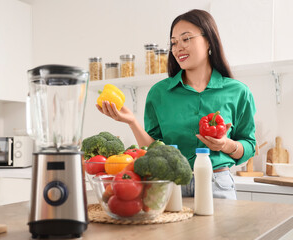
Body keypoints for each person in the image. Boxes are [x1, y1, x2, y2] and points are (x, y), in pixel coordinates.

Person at [96, 9, 256, 200]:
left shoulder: (238, 92)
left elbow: (249, 145)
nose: (178, 47)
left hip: (217, 184)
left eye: (186, 39)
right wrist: (132, 122)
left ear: (209, 41)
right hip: (170, 186)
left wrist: (226, 144)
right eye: (173, 42)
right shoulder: (159, 93)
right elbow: (153, 151)